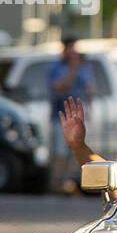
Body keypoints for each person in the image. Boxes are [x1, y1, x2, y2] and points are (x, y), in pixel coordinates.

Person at [47, 37, 95, 192]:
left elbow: (89, 88)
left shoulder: (83, 67)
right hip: (60, 115)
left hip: (77, 115)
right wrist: (73, 69)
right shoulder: (56, 67)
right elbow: (59, 86)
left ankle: (68, 183)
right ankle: (56, 183)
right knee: (60, 152)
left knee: (74, 150)